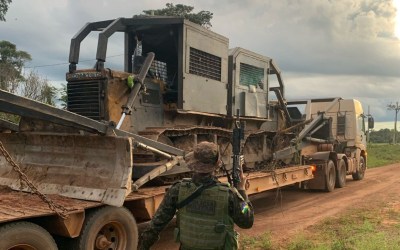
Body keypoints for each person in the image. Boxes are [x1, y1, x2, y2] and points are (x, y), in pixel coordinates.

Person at [138, 141, 254, 250]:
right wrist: (241, 190)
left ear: (193, 163)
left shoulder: (177, 190)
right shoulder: (229, 194)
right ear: (216, 165)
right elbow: (247, 221)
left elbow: (154, 227)